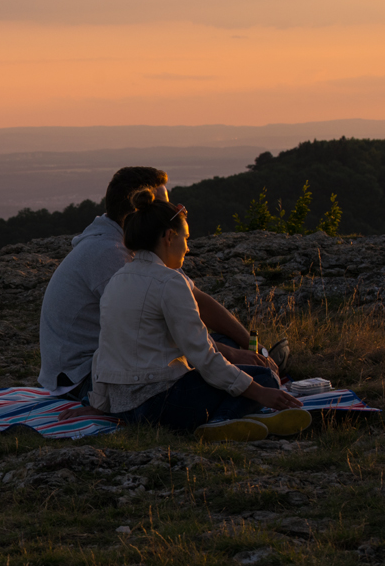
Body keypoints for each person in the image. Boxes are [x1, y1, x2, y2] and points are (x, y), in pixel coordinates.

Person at [88, 189, 310, 441]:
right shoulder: (169, 282)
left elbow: (104, 351)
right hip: (162, 406)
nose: (188, 247)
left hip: (124, 408)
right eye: (186, 238)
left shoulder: (118, 280)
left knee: (230, 361)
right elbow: (203, 356)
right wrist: (261, 392)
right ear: (170, 236)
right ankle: (221, 421)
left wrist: (100, 404)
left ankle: (245, 418)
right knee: (264, 376)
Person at [38, 166, 275, 401]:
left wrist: (251, 347)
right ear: (138, 210)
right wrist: (234, 357)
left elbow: (196, 299)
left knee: (229, 347)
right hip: (86, 376)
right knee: (246, 376)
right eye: (162, 205)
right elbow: (176, 330)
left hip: (128, 358)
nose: (173, 211)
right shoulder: (108, 254)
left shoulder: (146, 244)